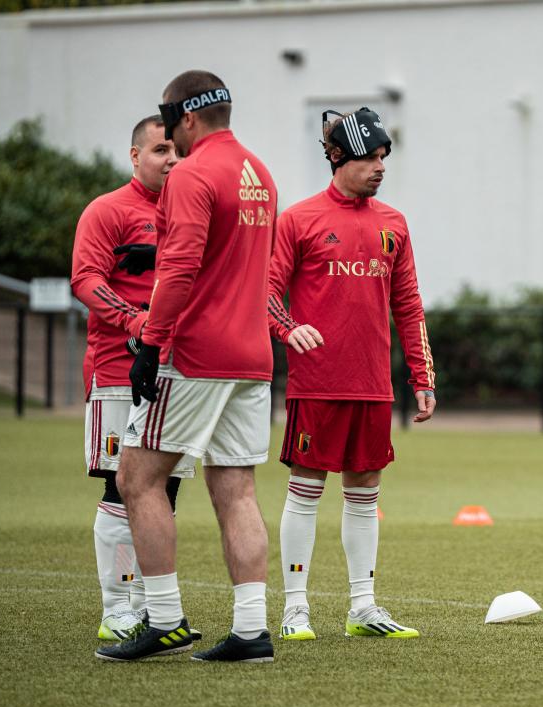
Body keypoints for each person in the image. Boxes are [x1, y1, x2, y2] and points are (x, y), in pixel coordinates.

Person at [96, 70, 279, 663]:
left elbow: (178, 269)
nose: (171, 143)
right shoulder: (260, 172)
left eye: (172, 127)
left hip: (196, 354)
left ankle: (166, 619)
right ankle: (252, 630)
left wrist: (151, 343)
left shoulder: (194, 172)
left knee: (136, 479)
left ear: (189, 117)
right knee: (236, 489)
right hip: (252, 358)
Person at [266, 108, 436, 642]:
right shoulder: (297, 219)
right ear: (337, 158)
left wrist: (422, 375)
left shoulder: (394, 223)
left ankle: (362, 607)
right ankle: (296, 609)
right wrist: (287, 328)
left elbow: (408, 305)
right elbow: (265, 292)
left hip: (372, 385)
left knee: (365, 493)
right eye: (368, 156)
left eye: (384, 156)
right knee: (305, 491)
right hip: (316, 384)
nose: (379, 166)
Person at [71, 115, 196, 642]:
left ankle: (151, 605)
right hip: (119, 371)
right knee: (121, 488)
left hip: (179, 373)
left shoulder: (191, 210)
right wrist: (135, 321)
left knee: (164, 492)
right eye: (161, 149)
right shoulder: (108, 210)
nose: (171, 160)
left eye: (176, 151)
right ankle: (117, 606)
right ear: (135, 155)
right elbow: (85, 279)